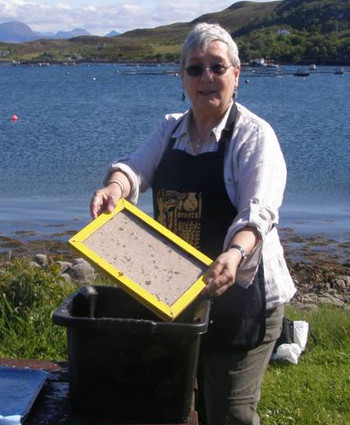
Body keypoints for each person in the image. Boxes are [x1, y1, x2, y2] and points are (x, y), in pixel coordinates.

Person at [90, 22, 296, 425]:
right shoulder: (169, 129)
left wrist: (234, 254)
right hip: (180, 291)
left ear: (236, 75)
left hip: (244, 297)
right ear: (181, 77)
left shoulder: (255, 137)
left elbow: (259, 211)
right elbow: (134, 169)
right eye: (196, 68)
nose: (207, 78)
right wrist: (114, 188)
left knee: (229, 412)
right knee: (181, 401)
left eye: (218, 67)